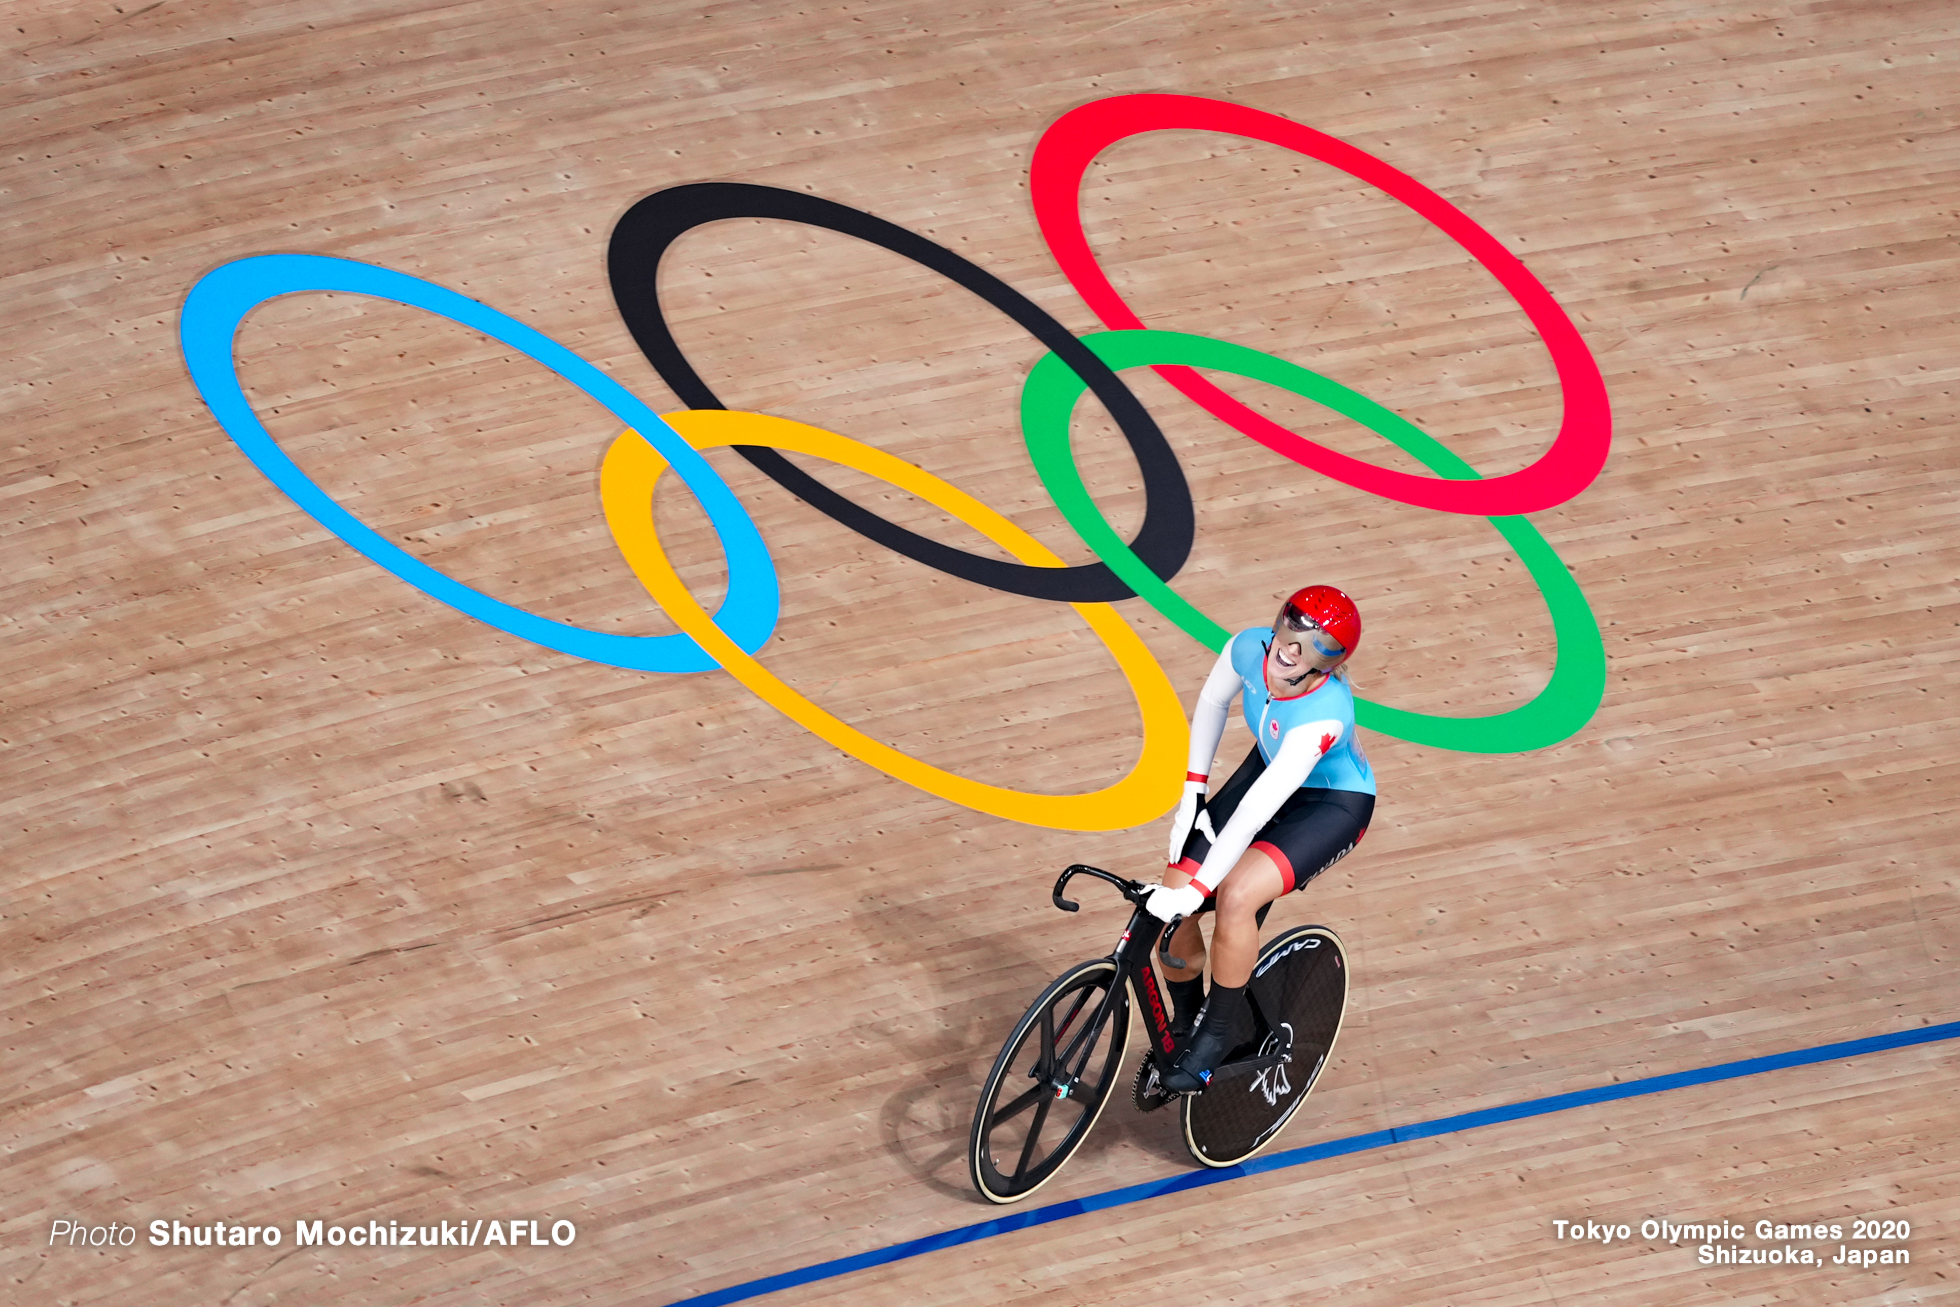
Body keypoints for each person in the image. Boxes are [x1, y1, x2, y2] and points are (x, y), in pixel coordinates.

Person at [1143, 585, 1376, 1092]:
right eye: (1290, 635)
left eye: (1308, 649)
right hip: (1269, 771)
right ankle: (1187, 1022)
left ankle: (1216, 1035)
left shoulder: (1324, 714)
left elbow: (1251, 817)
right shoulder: (1248, 647)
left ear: (1328, 666)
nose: (1287, 653)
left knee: (1234, 897)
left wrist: (1198, 892)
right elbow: (1210, 704)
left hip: (1328, 805)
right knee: (1173, 887)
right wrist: (1192, 797)